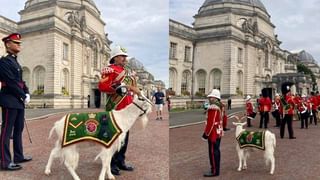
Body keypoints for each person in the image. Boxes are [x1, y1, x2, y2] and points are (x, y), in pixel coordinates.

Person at [98, 45, 140, 176]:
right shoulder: (109, 70)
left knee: (125, 137)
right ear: (115, 57)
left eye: (125, 56)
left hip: (126, 110)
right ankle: (111, 163)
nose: (125, 59)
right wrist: (119, 87)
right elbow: (102, 86)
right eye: (122, 56)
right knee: (114, 138)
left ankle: (121, 160)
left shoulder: (127, 72)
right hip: (115, 109)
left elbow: (133, 88)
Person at [0, 33, 32, 171]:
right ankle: (4, 161)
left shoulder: (15, 61)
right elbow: (10, 82)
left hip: (18, 100)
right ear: (8, 44)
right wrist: (22, 95)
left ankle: (18, 156)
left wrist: (27, 92)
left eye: (19, 43)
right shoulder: (4, 62)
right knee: (7, 131)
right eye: (16, 43)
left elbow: (21, 81)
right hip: (9, 100)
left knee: (18, 129)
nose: (19, 45)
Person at [202, 89, 227, 177]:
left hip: (213, 133)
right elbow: (224, 118)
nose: (209, 98)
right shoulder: (221, 106)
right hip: (219, 131)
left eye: (211, 97)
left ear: (215, 98)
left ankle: (214, 170)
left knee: (212, 152)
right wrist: (223, 127)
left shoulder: (213, 107)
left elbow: (211, 122)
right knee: (216, 150)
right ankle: (216, 168)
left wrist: (206, 133)